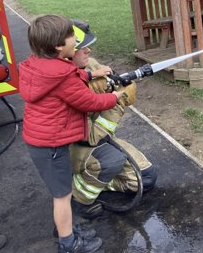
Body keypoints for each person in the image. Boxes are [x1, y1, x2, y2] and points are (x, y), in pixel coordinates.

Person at [20, 14, 127, 253]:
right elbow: (89, 102)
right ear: (59, 46)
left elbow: (67, 75)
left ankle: (65, 231)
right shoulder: (62, 76)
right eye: (71, 36)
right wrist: (116, 96)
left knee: (62, 191)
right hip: (51, 147)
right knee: (62, 196)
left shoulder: (39, 65)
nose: (76, 41)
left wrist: (91, 74)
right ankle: (68, 243)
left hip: (41, 143)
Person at [69, 20, 157, 216]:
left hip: (98, 138)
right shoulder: (62, 90)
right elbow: (90, 135)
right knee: (113, 159)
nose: (89, 51)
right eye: (82, 48)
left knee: (147, 178)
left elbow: (108, 81)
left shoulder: (87, 65)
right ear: (64, 52)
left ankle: (96, 179)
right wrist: (118, 101)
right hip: (77, 147)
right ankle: (80, 196)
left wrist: (116, 83)